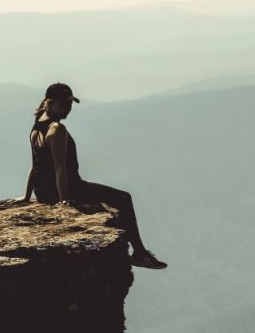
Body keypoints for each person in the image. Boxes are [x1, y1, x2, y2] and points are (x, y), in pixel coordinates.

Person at [21, 82, 167, 270]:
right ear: (49, 102)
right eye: (64, 104)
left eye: (70, 104)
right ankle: (139, 253)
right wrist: (64, 201)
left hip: (44, 194)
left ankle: (140, 252)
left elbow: (35, 166)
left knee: (114, 199)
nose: (68, 109)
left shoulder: (36, 127)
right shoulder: (56, 130)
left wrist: (27, 196)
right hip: (70, 189)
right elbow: (60, 169)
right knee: (123, 198)